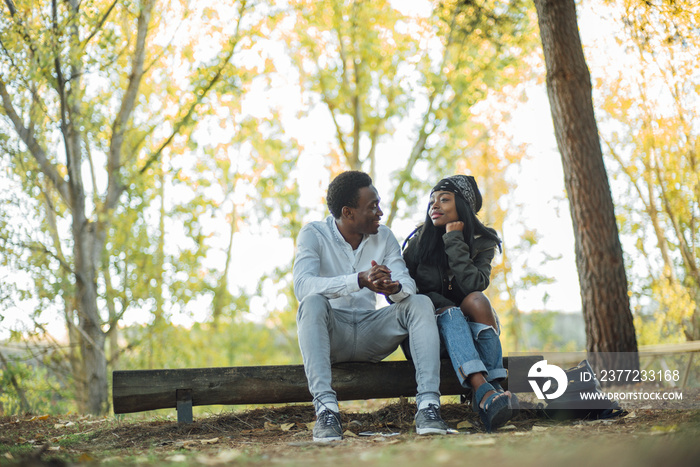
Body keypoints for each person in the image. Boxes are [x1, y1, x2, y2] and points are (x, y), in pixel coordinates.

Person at [293, 170, 449, 442]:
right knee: (312, 303)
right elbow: (302, 286)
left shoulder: (384, 236)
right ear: (348, 212)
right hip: (333, 334)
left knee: (420, 302)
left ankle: (428, 406)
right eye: (372, 206)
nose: (380, 212)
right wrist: (359, 280)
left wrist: (394, 288)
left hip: (372, 332)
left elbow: (407, 284)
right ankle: (327, 410)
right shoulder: (313, 234)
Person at [403, 174, 516, 432]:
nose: (435, 205)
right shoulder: (419, 241)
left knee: (478, 300)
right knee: (451, 312)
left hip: (468, 333)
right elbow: (406, 292)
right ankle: (486, 391)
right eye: (432, 200)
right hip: (427, 334)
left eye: (444, 199)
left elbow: (473, 284)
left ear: (462, 205)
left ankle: (492, 390)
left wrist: (454, 240)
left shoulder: (483, 241)